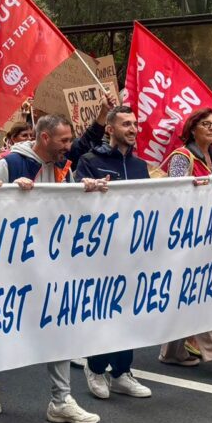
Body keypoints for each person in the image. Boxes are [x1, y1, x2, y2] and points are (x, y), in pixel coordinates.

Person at [0, 115, 105, 423]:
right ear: (45, 138)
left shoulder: (64, 166)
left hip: (53, 261)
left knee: (59, 325)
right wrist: (9, 194)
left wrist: (83, 190)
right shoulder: (9, 163)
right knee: (1, 325)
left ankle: (61, 400)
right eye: (63, 140)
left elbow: (69, 205)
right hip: (10, 264)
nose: (69, 145)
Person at [74, 106, 154, 400]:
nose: (133, 129)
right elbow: (77, 204)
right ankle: (95, 367)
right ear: (109, 128)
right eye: (125, 124)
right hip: (100, 254)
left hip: (133, 250)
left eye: (135, 124)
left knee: (129, 312)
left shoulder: (140, 166)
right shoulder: (89, 161)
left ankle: (121, 372)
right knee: (104, 311)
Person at [158, 107, 212, 375]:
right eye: (205, 124)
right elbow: (171, 191)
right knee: (198, 293)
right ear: (192, 128)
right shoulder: (182, 157)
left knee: (185, 293)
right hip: (181, 236)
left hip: (204, 235)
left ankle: (172, 351)